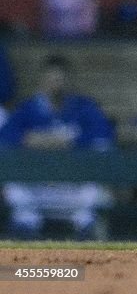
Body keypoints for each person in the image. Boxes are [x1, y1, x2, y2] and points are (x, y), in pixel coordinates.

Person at [0, 55, 114, 238]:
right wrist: (29, 139)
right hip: (38, 185)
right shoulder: (28, 109)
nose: (55, 84)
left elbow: (104, 134)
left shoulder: (83, 107)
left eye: (60, 79)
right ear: (42, 81)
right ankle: (23, 250)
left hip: (73, 186)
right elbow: (5, 136)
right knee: (16, 193)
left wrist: (70, 140)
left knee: (94, 194)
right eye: (51, 79)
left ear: (69, 81)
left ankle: (91, 252)